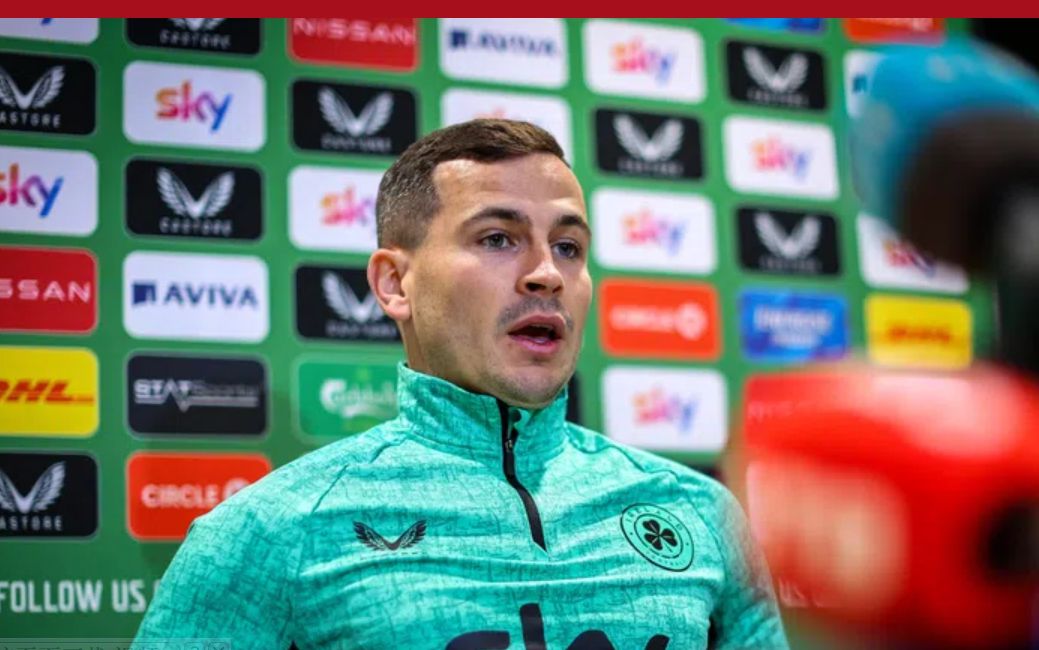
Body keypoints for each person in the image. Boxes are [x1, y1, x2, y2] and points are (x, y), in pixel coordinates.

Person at [133, 119, 789, 649]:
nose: (546, 274)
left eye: (567, 247)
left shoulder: (700, 513)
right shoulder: (270, 531)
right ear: (395, 283)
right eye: (498, 238)